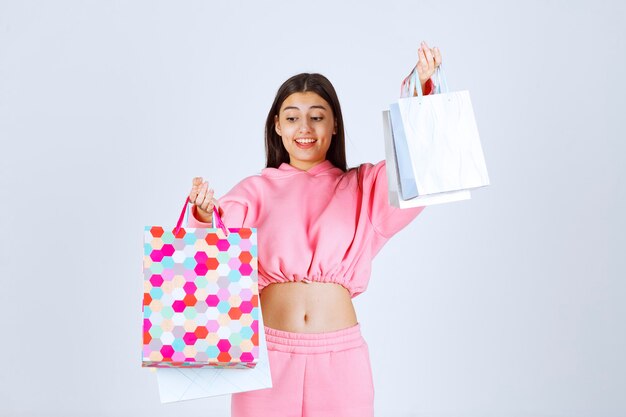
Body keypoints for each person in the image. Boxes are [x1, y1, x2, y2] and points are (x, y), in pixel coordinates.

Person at [187, 41, 442, 417]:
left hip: (341, 362)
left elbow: (415, 171)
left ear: (335, 124)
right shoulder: (253, 191)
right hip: (268, 361)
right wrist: (204, 215)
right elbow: (208, 258)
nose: (304, 128)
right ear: (276, 125)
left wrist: (422, 93)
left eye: (317, 116)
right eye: (291, 117)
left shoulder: (363, 186)